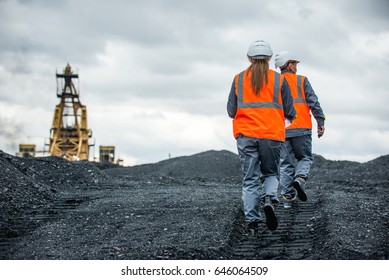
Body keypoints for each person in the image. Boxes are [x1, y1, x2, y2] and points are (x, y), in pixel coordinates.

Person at [227, 40, 296, 237]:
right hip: (272, 135)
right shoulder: (280, 80)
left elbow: (231, 110)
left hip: (246, 135)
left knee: (250, 179)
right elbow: (290, 111)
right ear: (270, 58)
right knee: (271, 173)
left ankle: (252, 223)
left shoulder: (238, 79)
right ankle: (269, 199)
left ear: (248, 57)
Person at [274, 51, 326, 208]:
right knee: (305, 158)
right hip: (302, 127)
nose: (296, 67)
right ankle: (300, 179)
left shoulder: (274, 82)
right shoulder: (302, 80)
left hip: (282, 129)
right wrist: (320, 121)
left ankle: (288, 200)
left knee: (286, 163)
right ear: (289, 65)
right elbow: (313, 102)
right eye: (295, 64)